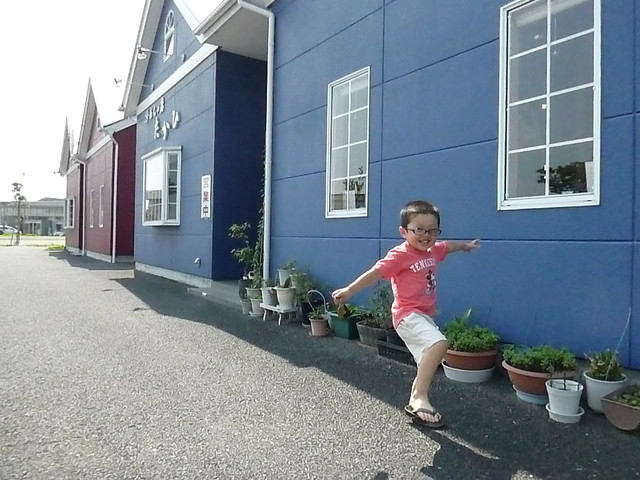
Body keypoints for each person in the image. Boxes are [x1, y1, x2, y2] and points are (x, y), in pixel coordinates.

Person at [332, 200, 480, 428]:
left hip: (424, 316)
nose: (426, 236)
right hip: (406, 315)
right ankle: (419, 397)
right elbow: (376, 272)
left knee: (428, 358)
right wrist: (350, 290)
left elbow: (447, 246)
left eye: (432, 230)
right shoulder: (400, 255)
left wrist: (465, 246)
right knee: (439, 344)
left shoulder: (433, 250)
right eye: (419, 230)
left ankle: (416, 402)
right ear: (404, 232)